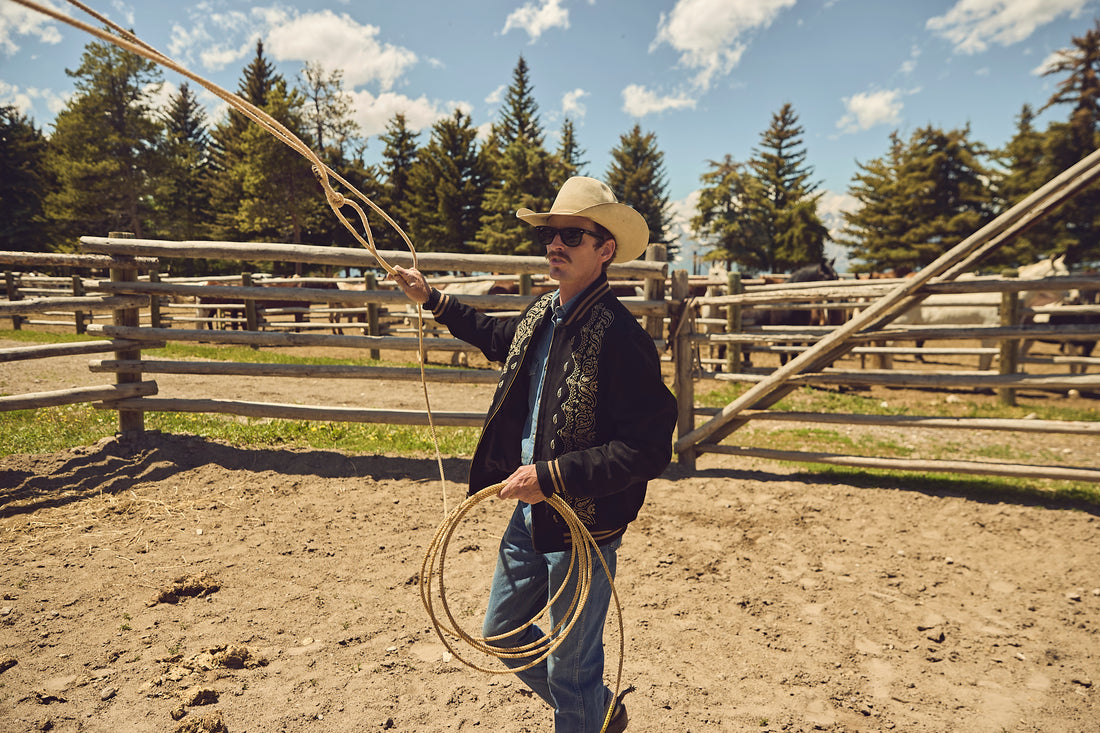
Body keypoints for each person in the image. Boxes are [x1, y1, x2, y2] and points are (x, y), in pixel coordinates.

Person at [391, 176, 677, 733]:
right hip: (532, 512)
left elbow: (647, 449)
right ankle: (596, 712)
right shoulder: (544, 312)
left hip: (585, 524)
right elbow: (497, 338)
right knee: (502, 633)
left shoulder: (622, 337)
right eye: (551, 234)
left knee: (572, 668)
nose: (556, 245)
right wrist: (433, 300)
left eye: (573, 235)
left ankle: (584, 711)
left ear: (605, 250)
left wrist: (553, 474)